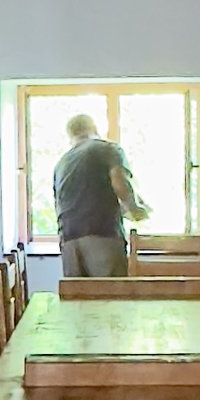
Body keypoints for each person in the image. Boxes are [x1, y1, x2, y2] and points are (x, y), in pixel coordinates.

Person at [52, 112, 148, 277]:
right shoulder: (107, 149)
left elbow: (71, 203)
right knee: (110, 292)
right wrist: (136, 210)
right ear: (95, 128)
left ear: (71, 136)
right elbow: (120, 183)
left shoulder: (61, 163)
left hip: (69, 239)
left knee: (77, 293)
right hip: (102, 235)